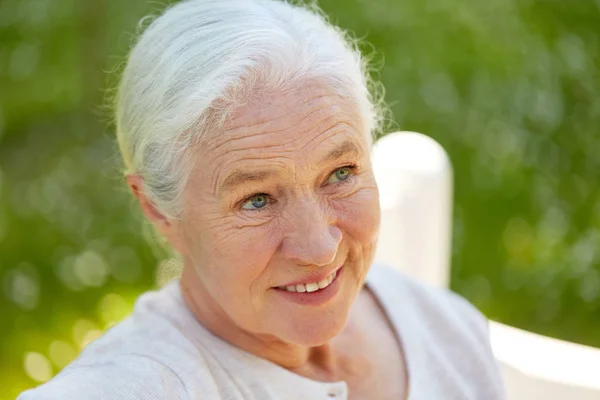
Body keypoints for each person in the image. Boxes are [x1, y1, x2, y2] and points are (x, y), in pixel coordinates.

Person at [18, 0, 506, 398]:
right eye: (256, 200)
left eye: (340, 173)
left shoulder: (445, 331)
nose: (318, 248)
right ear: (158, 210)